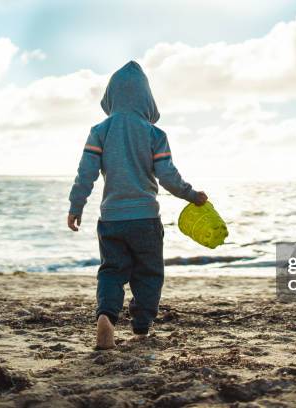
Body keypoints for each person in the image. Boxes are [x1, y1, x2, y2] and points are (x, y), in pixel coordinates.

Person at [67, 61, 207, 349]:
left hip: (111, 219)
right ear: (147, 99)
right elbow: (168, 177)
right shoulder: (155, 135)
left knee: (111, 271)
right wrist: (192, 195)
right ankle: (141, 327)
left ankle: (106, 316)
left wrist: (76, 206)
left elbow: (86, 173)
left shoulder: (100, 131)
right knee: (149, 273)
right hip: (145, 219)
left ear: (111, 97)